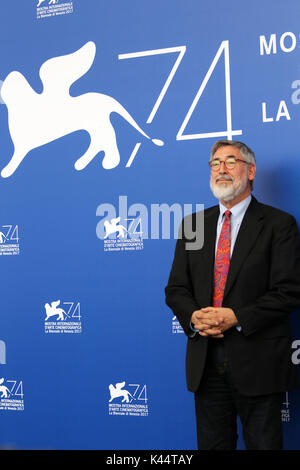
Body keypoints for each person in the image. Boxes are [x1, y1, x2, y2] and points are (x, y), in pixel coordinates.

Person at [165, 140, 300, 450]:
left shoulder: (279, 224)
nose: (221, 169)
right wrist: (194, 316)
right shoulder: (193, 225)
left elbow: (288, 291)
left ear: (251, 171)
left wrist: (236, 316)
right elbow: (175, 289)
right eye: (215, 163)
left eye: (230, 161)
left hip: (259, 363)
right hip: (205, 363)